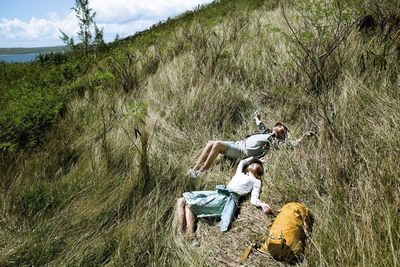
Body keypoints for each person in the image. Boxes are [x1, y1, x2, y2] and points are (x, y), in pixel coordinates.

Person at [187, 112, 315, 177]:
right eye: (281, 126)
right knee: (211, 143)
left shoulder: (276, 141)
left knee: (217, 145)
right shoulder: (266, 131)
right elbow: (260, 124)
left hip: (243, 152)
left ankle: (203, 171)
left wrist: (303, 137)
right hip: (238, 144)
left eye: (284, 130)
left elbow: (291, 145)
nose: (282, 128)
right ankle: (195, 169)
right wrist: (256, 117)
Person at [177, 157, 272, 240]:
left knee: (188, 204)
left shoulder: (256, 181)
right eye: (253, 163)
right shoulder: (240, 173)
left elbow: (254, 199)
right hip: (219, 193)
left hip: (226, 200)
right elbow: (242, 162)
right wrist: (258, 159)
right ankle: (182, 230)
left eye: (258, 165)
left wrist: (262, 205)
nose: (254, 164)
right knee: (181, 200)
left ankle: (190, 234)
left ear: (260, 171)